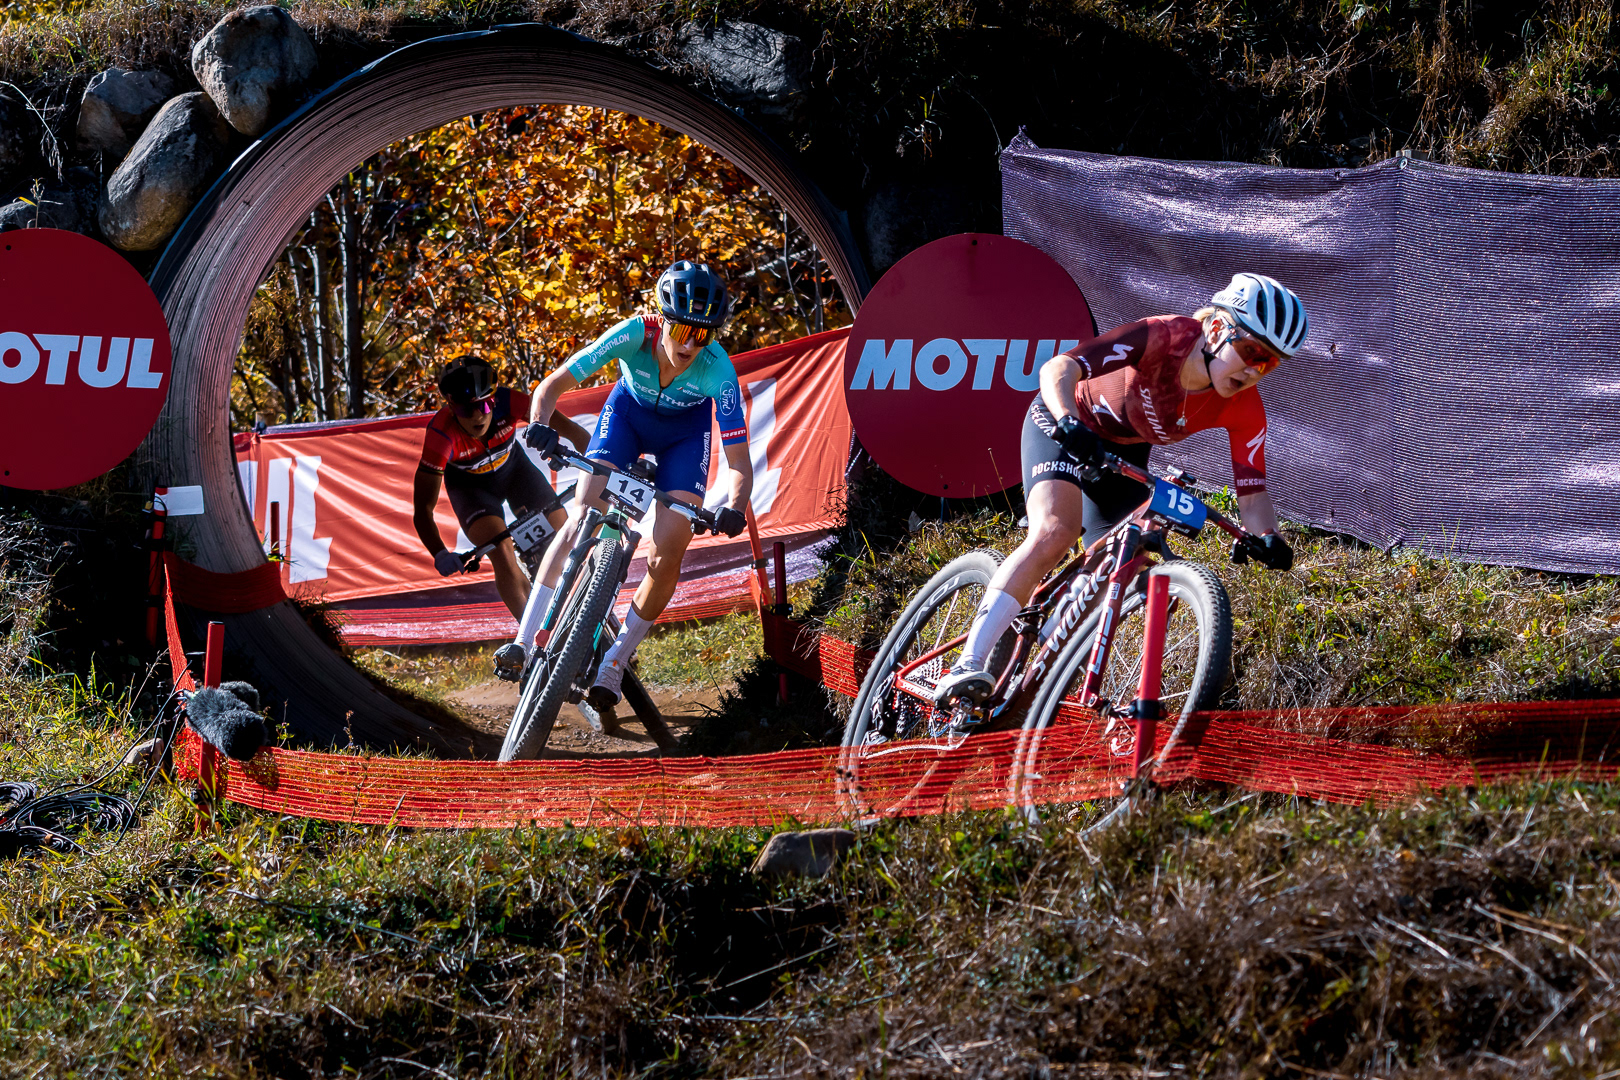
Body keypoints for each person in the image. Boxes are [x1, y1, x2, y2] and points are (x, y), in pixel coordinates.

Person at [933, 272, 1307, 705]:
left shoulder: (1245, 408)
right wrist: (1067, 421)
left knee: (1119, 568)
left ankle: (1039, 667)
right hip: (1066, 420)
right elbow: (1059, 368)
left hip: (1122, 454)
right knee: (1056, 530)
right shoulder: (1163, 337)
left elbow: (1253, 493)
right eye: (1252, 352)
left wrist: (1268, 537)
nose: (1254, 371)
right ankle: (967, 662)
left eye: (1269, 364)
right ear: (1218, 328)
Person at [508, 260, 754, 719]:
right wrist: (541, 424)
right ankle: (523, 640)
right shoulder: (633, 334)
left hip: (685, 436)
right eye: (682, 329)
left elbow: (739, 462)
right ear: (664, 320)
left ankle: (615, 662)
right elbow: (553, 385)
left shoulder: (719, 371)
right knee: (582, 515)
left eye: (703, 335)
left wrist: (734, 507)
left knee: (669, 550)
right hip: (626, 417)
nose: (689, 344)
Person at [412, 355, 588, 659]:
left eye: (485, 405)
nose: (478, 416)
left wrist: (606, 464)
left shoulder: (511, 401)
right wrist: (438, 552)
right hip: (471, 489)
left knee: (566, 534)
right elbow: (423, 509)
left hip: (515, 471)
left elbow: (572, 431)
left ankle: (592, 616)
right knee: (502, 553)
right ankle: (534, 644)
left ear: (494, 399)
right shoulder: (441, 434)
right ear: (451, 407)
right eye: (466, 409)